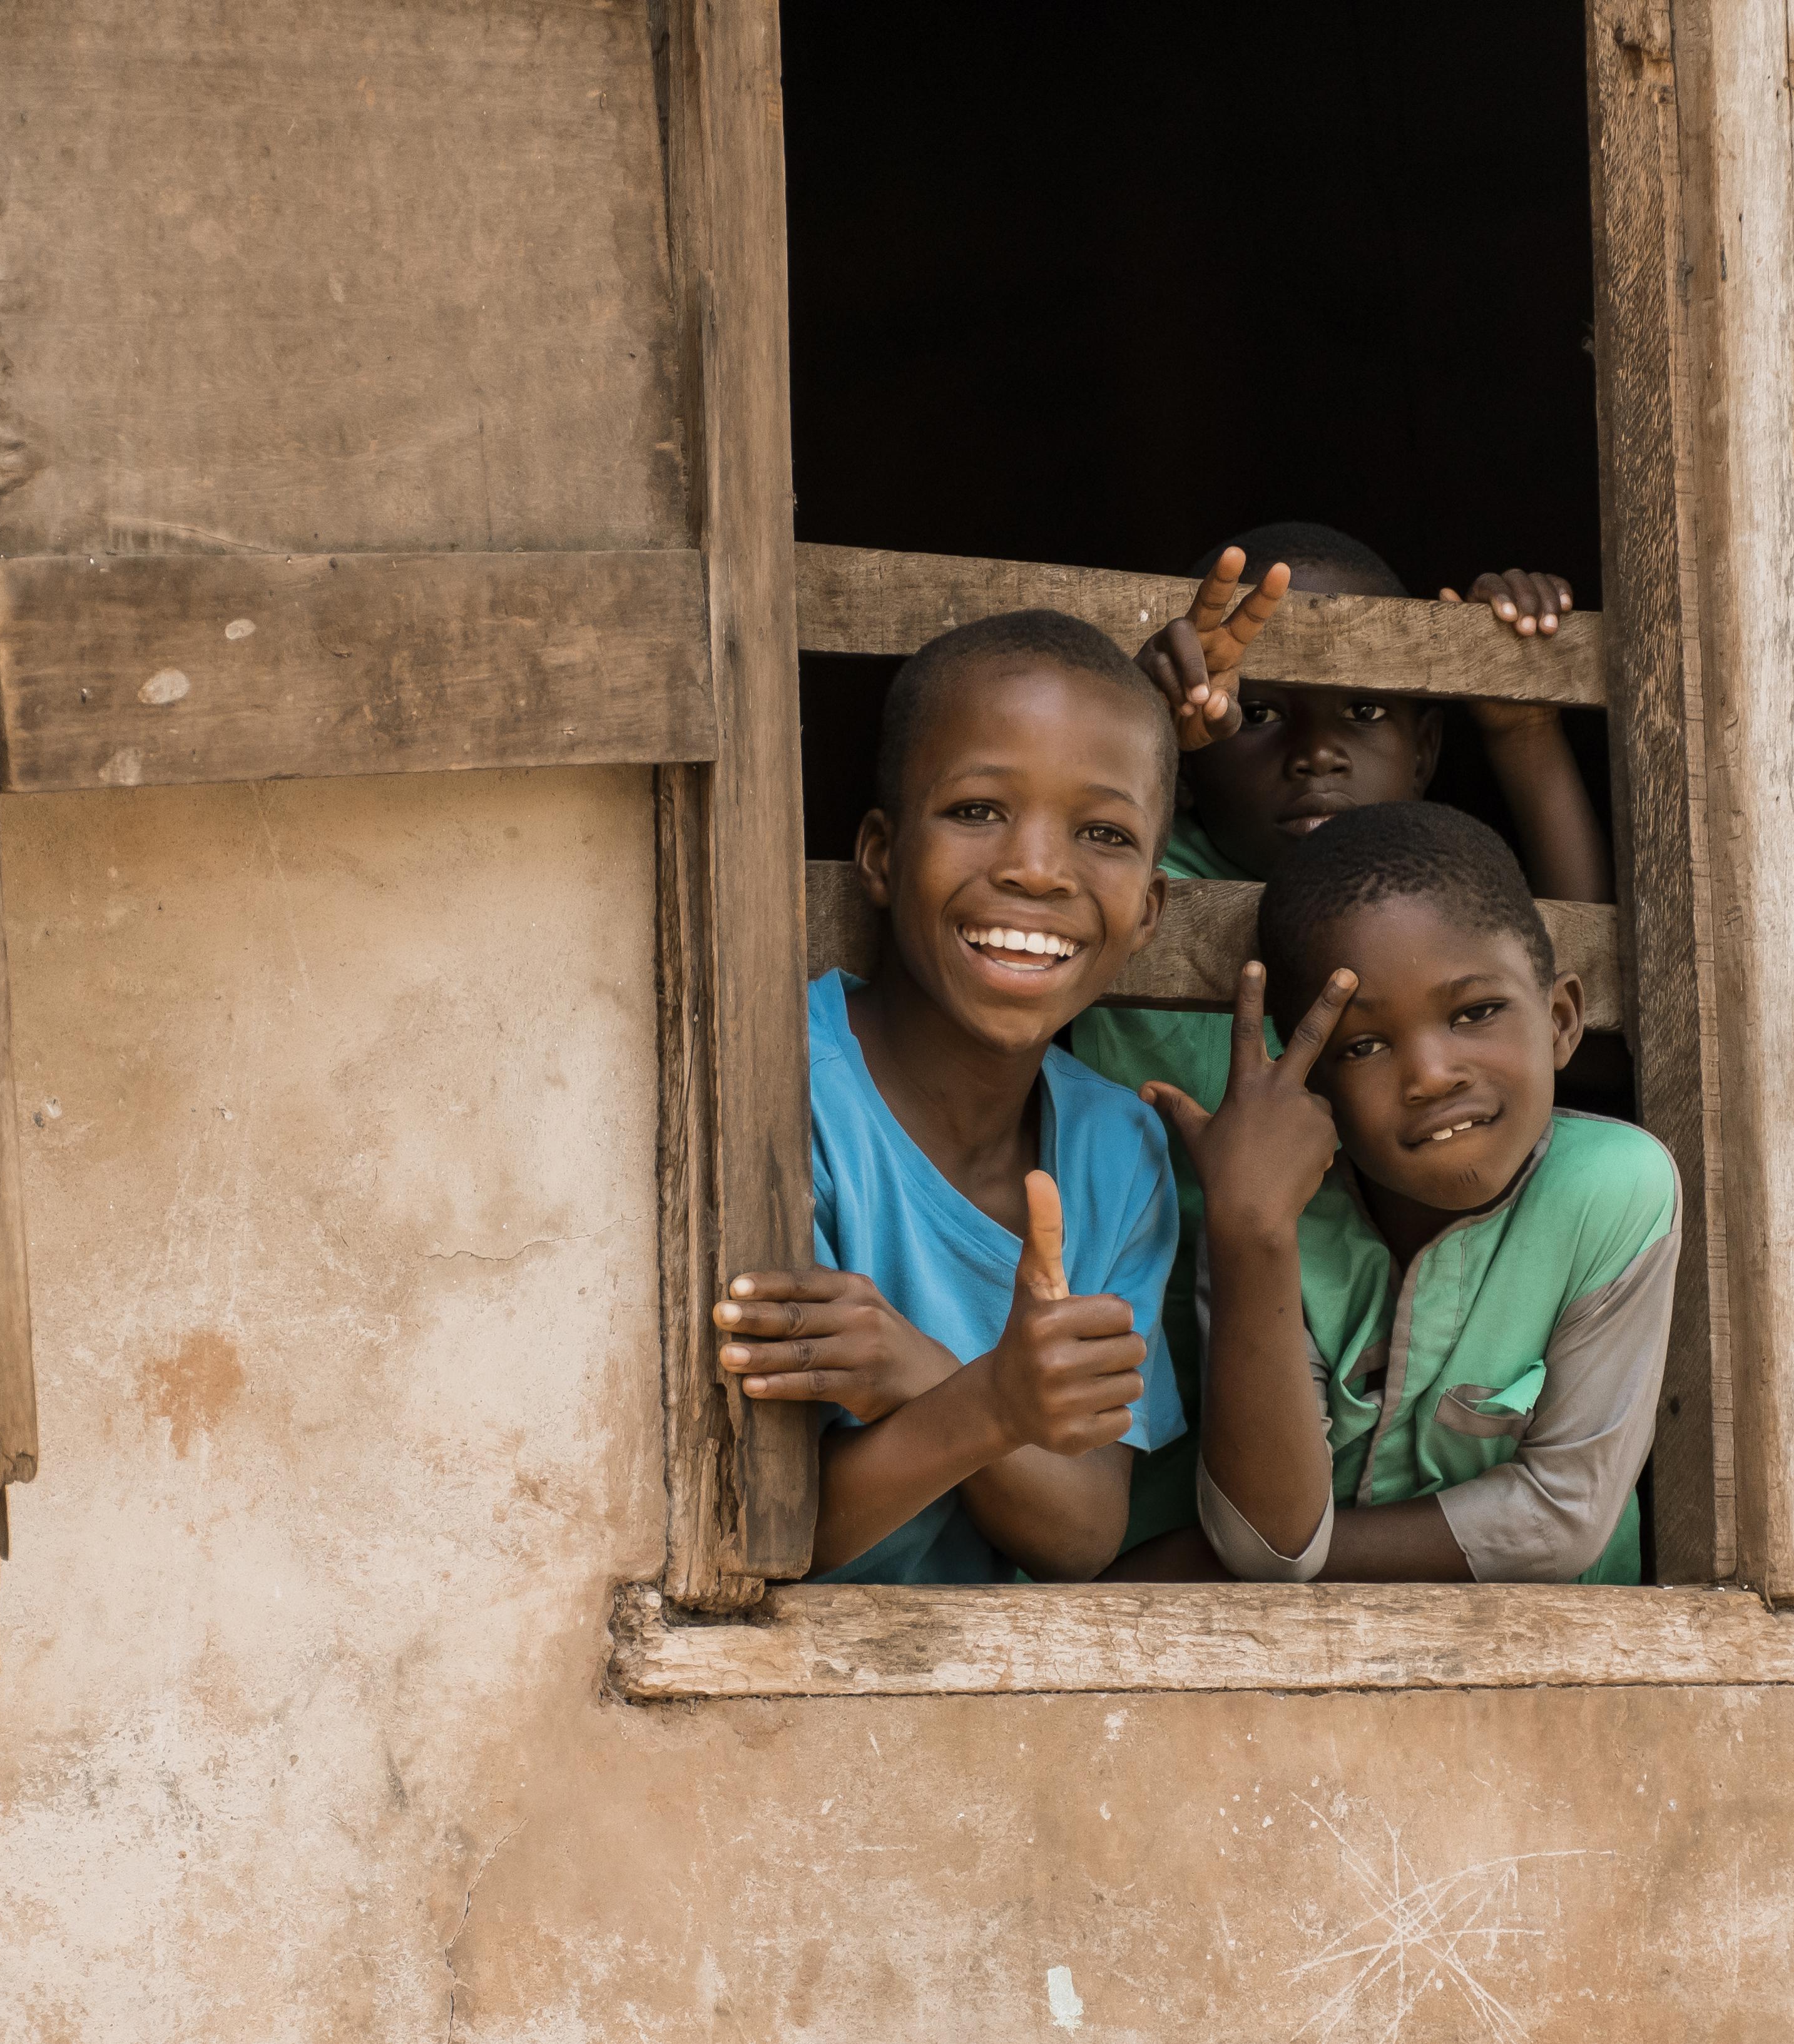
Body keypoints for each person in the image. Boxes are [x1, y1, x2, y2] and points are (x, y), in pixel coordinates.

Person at [1071, 521, 1607, 1560]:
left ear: (1426, 747)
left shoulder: (1432, 903)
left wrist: (1525, 732)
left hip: (1387, 1468)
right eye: (1259, 714)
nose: (1317, 751)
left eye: (1364, 710)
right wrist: (1142, 729)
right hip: (1156, 1453)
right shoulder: (1139, 881)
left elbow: (1596, 1036)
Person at [712, 609, 1187, 1582]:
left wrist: (923, 1374)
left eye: (1102, 832)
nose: (1037, 869)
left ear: (1149, 908)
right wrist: (995, 1410)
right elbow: (764, 1539)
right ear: (882, 856)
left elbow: (1086, 1529)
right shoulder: (780, 1094)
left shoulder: (1117, 1152)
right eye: (978, 810)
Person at [1139, 802, 1676, 1583]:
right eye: (1363, 1045)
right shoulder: (1265, 1209)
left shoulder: (1613, 1186)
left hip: (1562, 1669)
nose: (1430, 1074)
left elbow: (1561, 1520)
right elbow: (1267, 1539)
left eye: (1475, 1012)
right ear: (1311, 1081)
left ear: (1561, 1020)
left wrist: (1224, 1561)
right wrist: (1251, 1224)